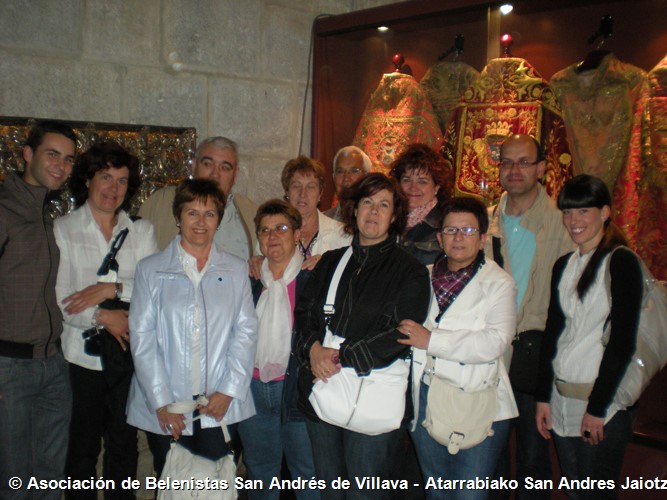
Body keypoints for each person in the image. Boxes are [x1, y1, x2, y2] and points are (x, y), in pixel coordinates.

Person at [294, 173, 431, 500]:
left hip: (373, 400)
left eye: (383, 204)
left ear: (395, 215)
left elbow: (403, 333)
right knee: (330, 490)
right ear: (353, 211)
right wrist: (312, 349)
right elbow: (304, 315)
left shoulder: (410, 271)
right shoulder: (330, 262)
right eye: (367, 202)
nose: (373, 211)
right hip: (324, 394)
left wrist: (343, 356)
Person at [126, 178, 258, 476]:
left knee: (215, 485)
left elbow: (246, 333)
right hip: (168, 405)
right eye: (192, 212)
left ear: (218, 220)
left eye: (209, 214)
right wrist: (161, 402)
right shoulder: (150, 270)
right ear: (178, 217)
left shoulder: (236, 270)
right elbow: (142, 338)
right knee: (173, 484)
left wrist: (228, 391)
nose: (201, 222)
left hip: (218, 404)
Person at [54, 141, 158, 498]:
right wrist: (104, 316)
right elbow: (63, 299)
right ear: (87, 179)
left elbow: (152, 288)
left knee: (123, 446)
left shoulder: (140, 232)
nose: (113, 188)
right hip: (79, 360)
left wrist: (109, 288)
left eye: (122, 180)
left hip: (126, 358)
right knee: (81, 452)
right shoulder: (63, 230)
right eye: (105, 177)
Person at [400, 197, 518, 500]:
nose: (458, 238)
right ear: (439, 237)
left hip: (479, 400)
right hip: (426, 395)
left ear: (482, 238)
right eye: (451, 230)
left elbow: (495, 342)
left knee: (469, 495)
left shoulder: (499, 283)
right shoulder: (420, 277)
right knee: (437, 492)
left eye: (467, 230)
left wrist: (432, 341)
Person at [536, 175, 642, 499]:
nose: (573, 221)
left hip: (602, 406)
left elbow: (623, 341)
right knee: (574, 490)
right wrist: (543, 397)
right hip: (562, 399)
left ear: (605, 212)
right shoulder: (565, 265)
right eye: (568, 212)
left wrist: (597, 408)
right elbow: (553, 334)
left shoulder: (621, 261)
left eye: (583, 211)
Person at [485, 133, 573, 498]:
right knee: (490, 459)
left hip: (534, 357)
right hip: (490, 356)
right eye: (507, 161)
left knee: (533, 461)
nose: (514, 169)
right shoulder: (484, 221)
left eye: (524, 162)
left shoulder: (562, 223)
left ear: (541, 168)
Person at [0, 120, 76, 500]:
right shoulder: (5, 210)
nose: (61, 166)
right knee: (13, 479)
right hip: (9, 368)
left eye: (68, 159)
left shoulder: (45, 214)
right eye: (52, 155)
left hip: (52, 364)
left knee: (49, 479)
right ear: (27, 154)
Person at [237, 199, 319, 500]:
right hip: (253, 390)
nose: (272, 236)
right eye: (265, 230)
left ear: (298, 234)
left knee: (307, 475)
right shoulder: (251, 281)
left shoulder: (315, 278)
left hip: (297, 389)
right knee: (259, 474)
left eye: (281, 228)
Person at [138, 136, 258, 258]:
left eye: (225, 168)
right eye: (207, 164)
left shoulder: (252, 214)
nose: (215, 175)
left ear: (235, 175)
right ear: (194, 167)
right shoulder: (159, 203)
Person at [249, 156, 351, 278]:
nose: (303, 194)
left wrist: (327, 265)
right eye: (296, 186)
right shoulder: (269, 233)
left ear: (320, 193)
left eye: (310, 187)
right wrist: (259, 263)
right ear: (287, 192)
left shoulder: (343, 235)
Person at [390, 143, 453, 265]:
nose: (413, 187)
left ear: (437, 187)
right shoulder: (387, 220)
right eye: (407, 180)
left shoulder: (446, 224)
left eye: (422, 182)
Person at [324, 146, 372, 222]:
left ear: (367, 177)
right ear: (333, 177)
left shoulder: (376, 221)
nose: (346, 178)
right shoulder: (323, 222)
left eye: (354, 171)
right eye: (340, 172)